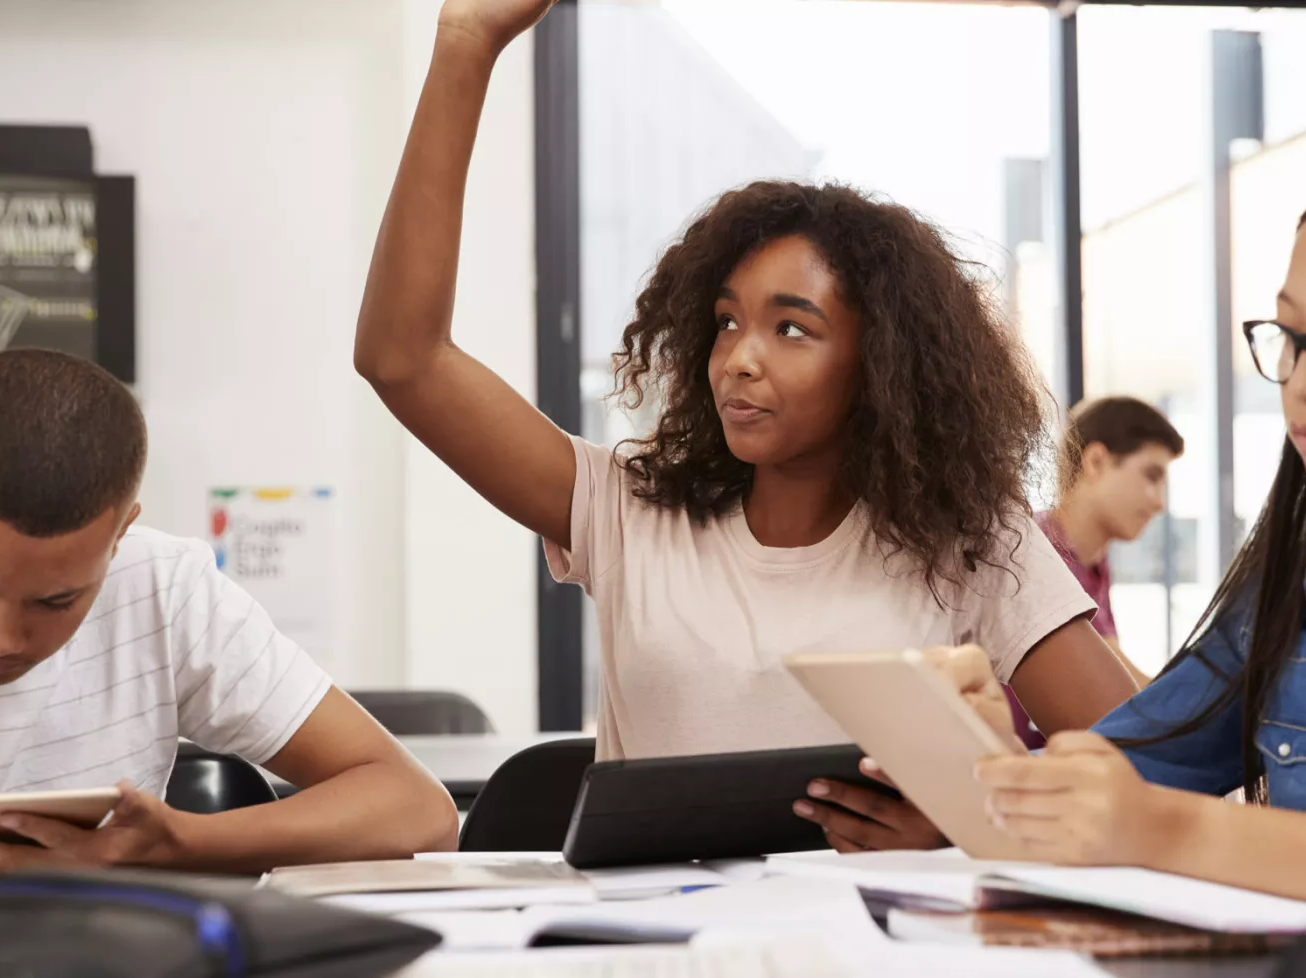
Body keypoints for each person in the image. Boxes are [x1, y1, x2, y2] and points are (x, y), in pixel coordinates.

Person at [355, 0, 1138, 853]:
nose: (740, 358)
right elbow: (404, 360)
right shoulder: (628, 512)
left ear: (880, 365)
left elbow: (1148, 772)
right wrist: (466, 44)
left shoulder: (973, 540)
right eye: (727, 323)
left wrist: (968, 820)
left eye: (791, 328)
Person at [833, 161, 1306, 905]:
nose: (1304, 378)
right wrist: (985, 764)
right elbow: (1128, 772)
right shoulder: (1286, 596)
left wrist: (1172, 830)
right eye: (1291, 333)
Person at [0, 349, 457, 876]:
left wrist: (178, 843)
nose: (2, 638)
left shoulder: (161, 587)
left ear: (120, 535)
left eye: (56, 600)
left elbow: (420, 813)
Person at [1005, 397, 1184, 747]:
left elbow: (1120, 672)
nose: (1160, 502)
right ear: (1096, 461)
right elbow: (1126, 703)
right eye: (1151, 476)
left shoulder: (1095, 565)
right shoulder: (1038, 551)